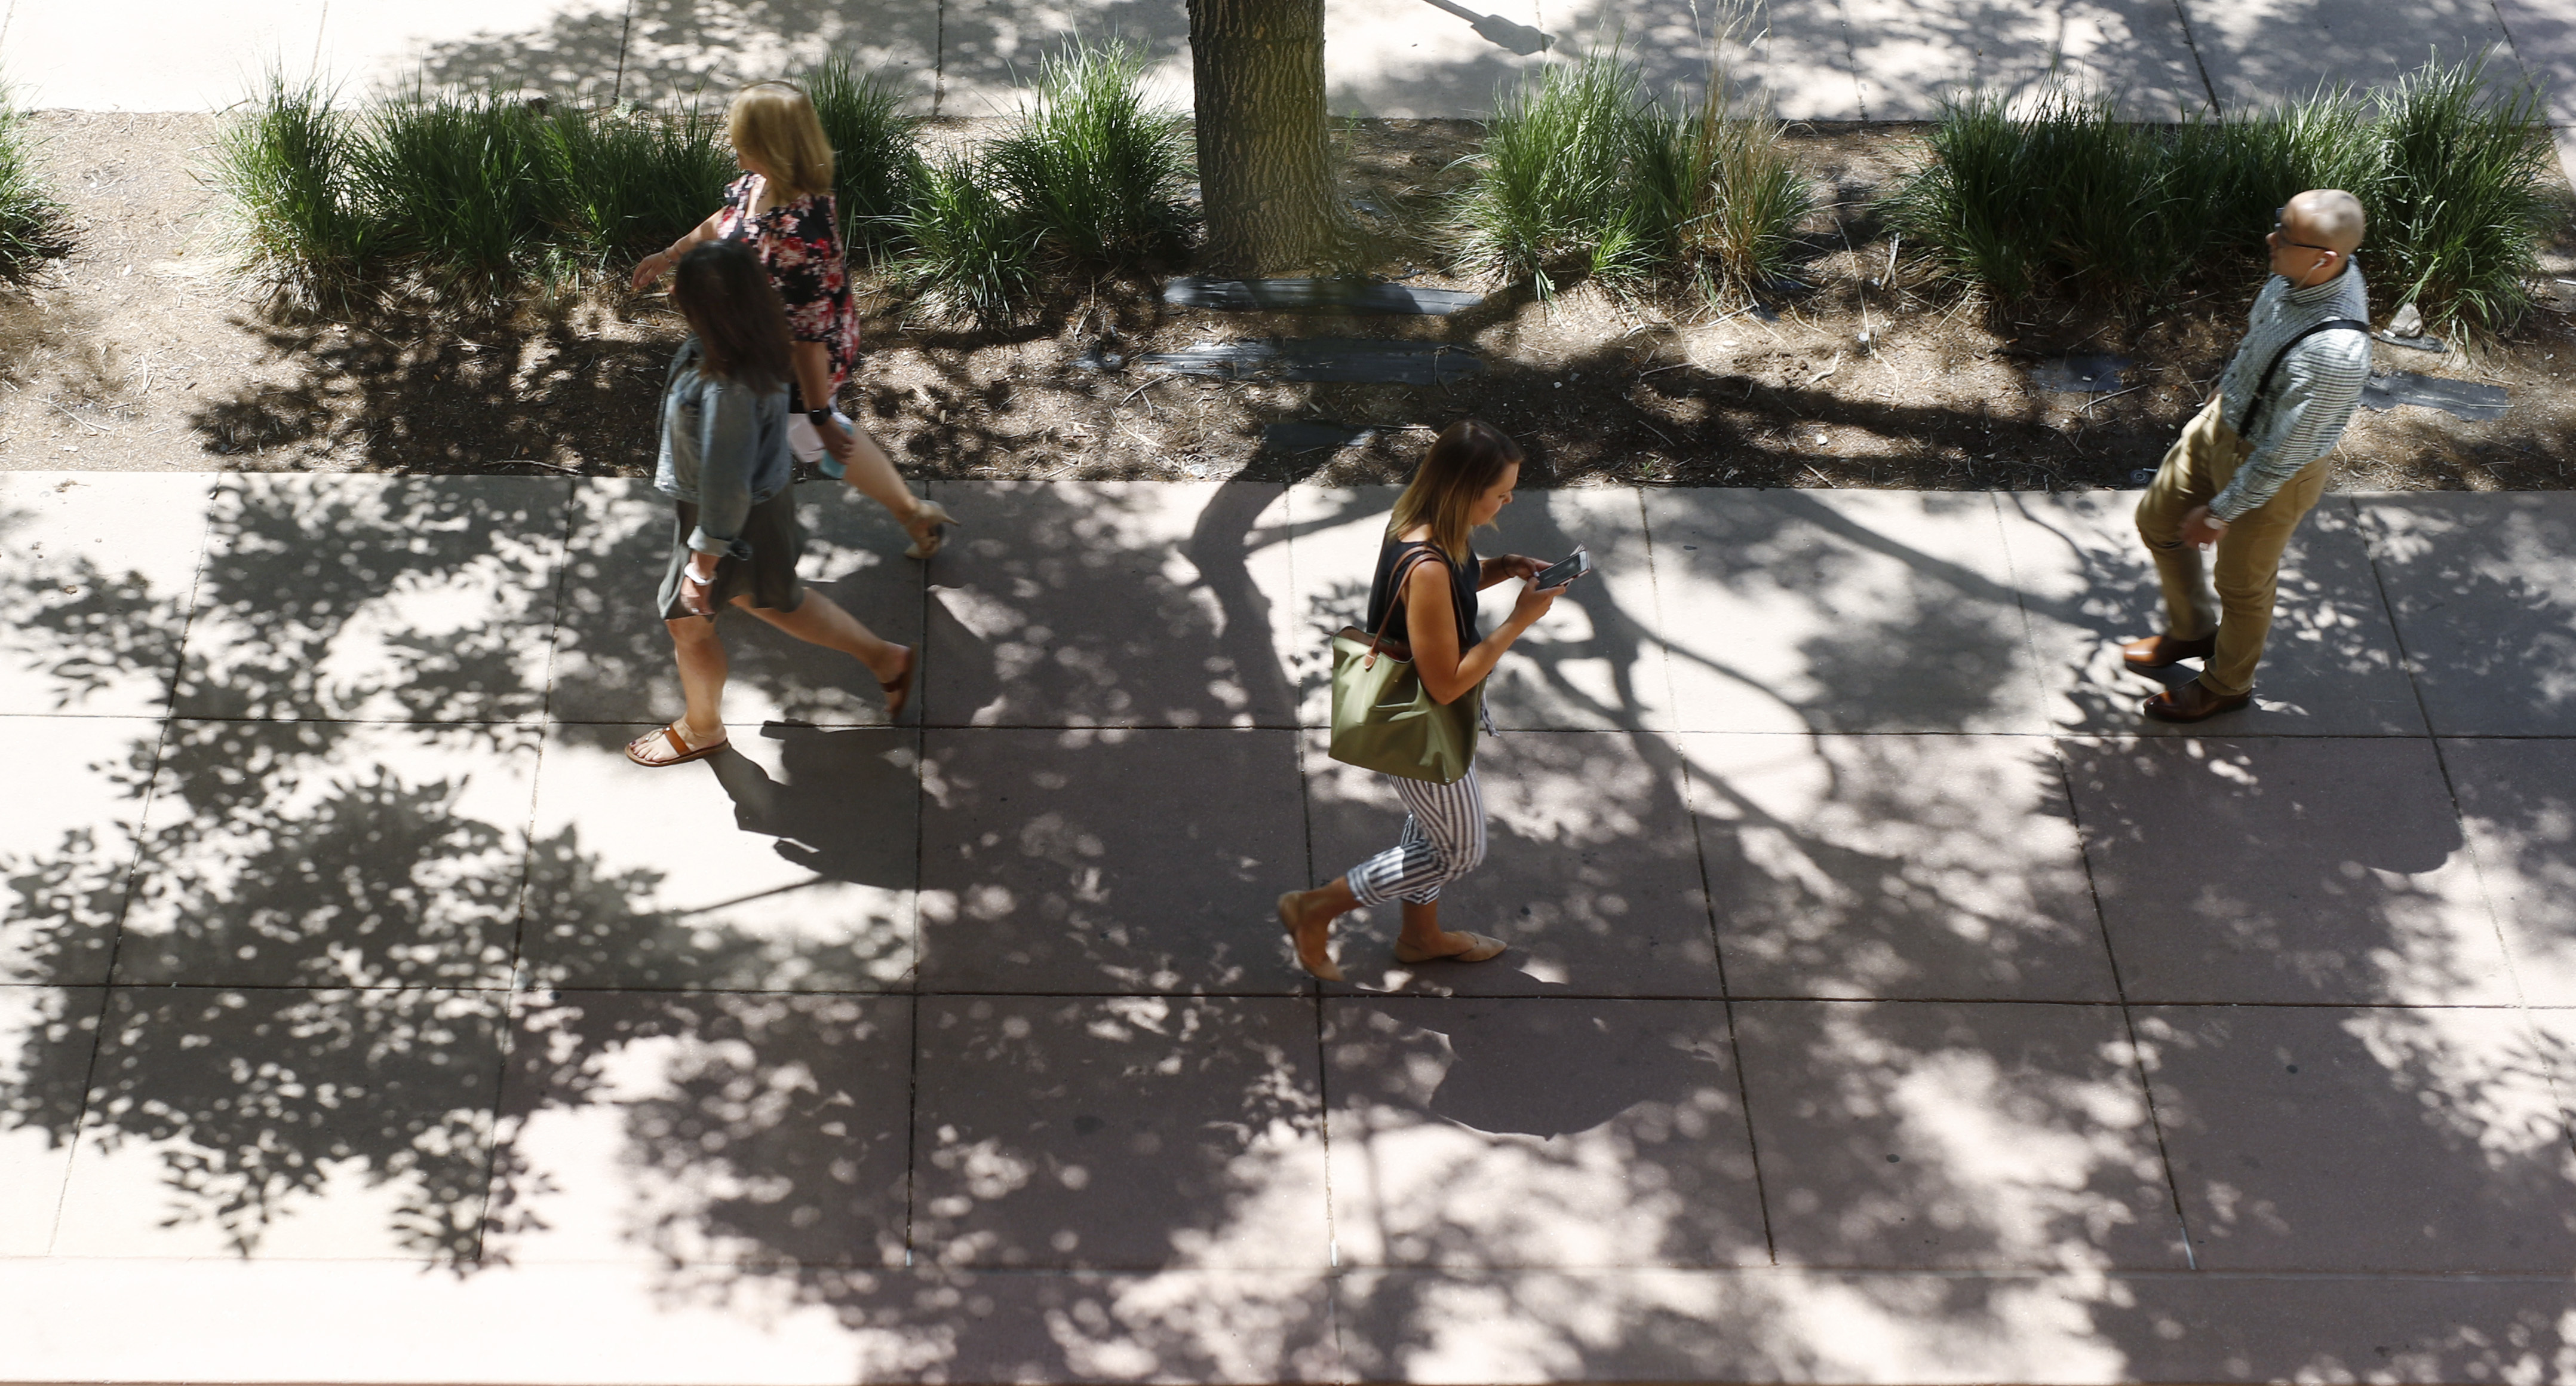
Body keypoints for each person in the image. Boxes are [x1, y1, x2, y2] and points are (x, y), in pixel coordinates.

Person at [1275, 421, 1570, 980]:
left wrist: (1502, 567)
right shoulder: (1431, 563)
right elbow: (1447, 683)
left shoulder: (1425, 528)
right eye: (1500, 492)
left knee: (1434, 830)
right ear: (1463, 489)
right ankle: (1316, 908)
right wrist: (1518, 620)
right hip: (1422, 723)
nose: (1509, 500)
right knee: (1459, 851)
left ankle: (1420, 937)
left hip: (1426, 718)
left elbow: (1445, 594)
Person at [630, 79, 957, 560]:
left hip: (796, 354)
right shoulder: (759, 184)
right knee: (795, 435)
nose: (733, 146)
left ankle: (728, 548)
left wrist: (820, 411)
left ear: (770, 146)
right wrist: (672, 253)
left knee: (796, 434)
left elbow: (809, 338)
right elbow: (727, 218)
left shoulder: (799, 233)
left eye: (742, 138)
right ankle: (908, 511)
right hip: (770, 339)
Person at [625, 241, 915, 769]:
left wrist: (702, 568)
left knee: (687, 623)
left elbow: (726, 487)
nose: (671, 293)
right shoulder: (745, 342)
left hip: (730, 519)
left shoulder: (726, 389)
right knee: (772, 599)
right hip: (752, 508)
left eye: (681, 293)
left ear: (711, 312)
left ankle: (702, 728)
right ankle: (885, 658)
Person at [2123, 188, 2372, 722]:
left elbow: (2285, 455)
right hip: (2224, 423)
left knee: (2241, 585)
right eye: (2277, 224)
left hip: (2271, 470)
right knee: (2157, 520)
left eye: (2284, 235)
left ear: (2325, 258)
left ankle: (2226, 684)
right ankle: (2191, 632)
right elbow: (2259, 337)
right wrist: (2222, 392)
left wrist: (2219, 512)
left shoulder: (2334, 354)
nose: (2270, 239)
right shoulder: (2296, 275)